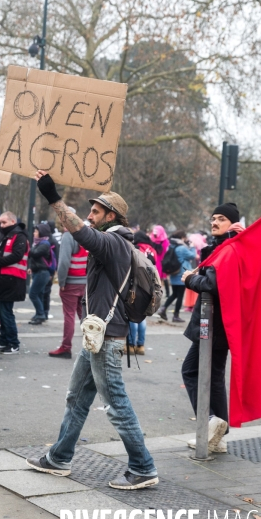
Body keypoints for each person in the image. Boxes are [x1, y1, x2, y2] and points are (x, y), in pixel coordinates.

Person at [26, 171, 158, 491]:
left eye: (96, 211)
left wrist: (53, 198)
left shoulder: (114, 241)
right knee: (77, 397)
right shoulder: (113, 242)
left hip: (107, 338)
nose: (90, 215)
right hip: (96, 337)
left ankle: (142, 467)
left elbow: (81, 232)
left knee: (115, 404)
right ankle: (60, 457)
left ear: (111, 216)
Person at [181, 202, 243, 453]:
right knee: (212, 375)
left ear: (232, 224)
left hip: (215, 325)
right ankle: (217, 431)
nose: (214, 222)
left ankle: (211, 425)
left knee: (194, 371)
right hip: (215, 324)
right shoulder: (222, 248)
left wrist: (189, 279)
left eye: (221, 219)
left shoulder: (228, 249)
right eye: (213, 218)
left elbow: (212, 285)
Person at [49, 211, 87, 359]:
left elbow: (64, 262)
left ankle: (66, 347)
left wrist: (62, 281)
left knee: (69, 315)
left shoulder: (68, 236)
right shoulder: (85, 235)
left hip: (71, 282)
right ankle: (92, 345)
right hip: (84, 281)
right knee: (84, 315)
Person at [0, 211, 29, 355]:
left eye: (4, 222)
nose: (1, 225)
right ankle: (4, 340)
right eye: (0, 223)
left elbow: (17, 255)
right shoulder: (6, 235)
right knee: (1, 312)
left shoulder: (19, 236)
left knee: (6, 312)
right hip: (4, 279)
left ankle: (13, 343)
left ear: (13, 222)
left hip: (13, 279)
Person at [126, 231, 158, 356]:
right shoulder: (152, 250)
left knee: (132, 315)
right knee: (142, 316)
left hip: (136, 286)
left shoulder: (135, 249)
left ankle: (130, 344)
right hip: (149, 287)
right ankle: (141, 345)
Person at [157, 230, 196, 323]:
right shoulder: (182, 248)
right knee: (180, 296)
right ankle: (176, 315)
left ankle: (163, 309)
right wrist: (193, 247)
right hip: (182, 273)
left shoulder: (171, 246)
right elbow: (193, 256)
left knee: (174, 294)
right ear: (182, 237)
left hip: (174, 273)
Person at [28, 223, 54, 325]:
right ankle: (39, 314)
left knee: (32, 294)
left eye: (36, 231)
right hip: (38, 271)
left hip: (42, 272)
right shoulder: (38, 243)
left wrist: (29, 248)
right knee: (39, 294)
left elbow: (34, 253)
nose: (34, 233)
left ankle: (41, 314)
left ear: (41, 232)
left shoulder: (44, 244)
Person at [150, 225, 170, 298]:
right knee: (156, 277)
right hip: (155, 261)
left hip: (163, 261)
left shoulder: (165, 241)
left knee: (164, 277)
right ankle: (157, 292)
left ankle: (167, 293)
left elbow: (166, 252)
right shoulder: (152, 240)